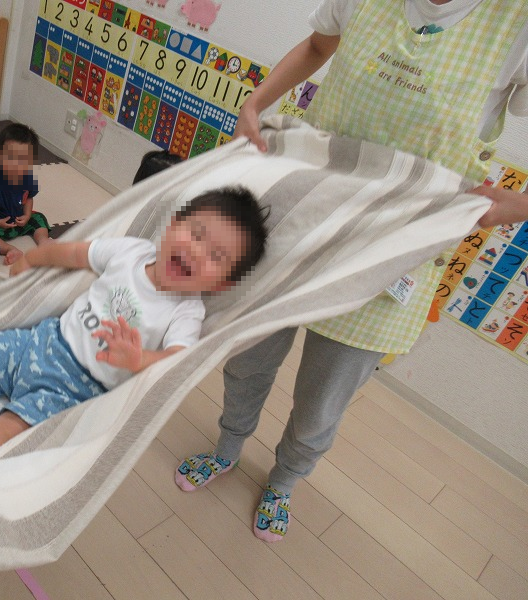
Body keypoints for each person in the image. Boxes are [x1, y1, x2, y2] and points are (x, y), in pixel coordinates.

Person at [174, 0, 528, 543]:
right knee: (249, 352)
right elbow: (319, 44)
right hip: (309, 209)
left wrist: (520, 205)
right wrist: (255, 102)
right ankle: (227, 446)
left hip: (396, 243)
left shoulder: (516, 23)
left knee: (324, 396)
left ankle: (284, 481)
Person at [0, 187, 269, 469]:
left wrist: (140, 359)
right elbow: (74, 254)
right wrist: (32, 258)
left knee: (9, 430)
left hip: (75, 388)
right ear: (172, 227)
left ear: (222, 284)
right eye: (196, 234)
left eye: (216, 257)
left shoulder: (187, 311)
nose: (196, 253)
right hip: (42, 340)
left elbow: (179, 360)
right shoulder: (132, 252)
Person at [0, 123, 52, 265]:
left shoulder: (27, 177)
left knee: (39, 217)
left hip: (18, 223)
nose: (16, 164)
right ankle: (9, 249)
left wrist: (27, 215)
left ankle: (44, 242)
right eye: (10, 157)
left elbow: (29, 198)